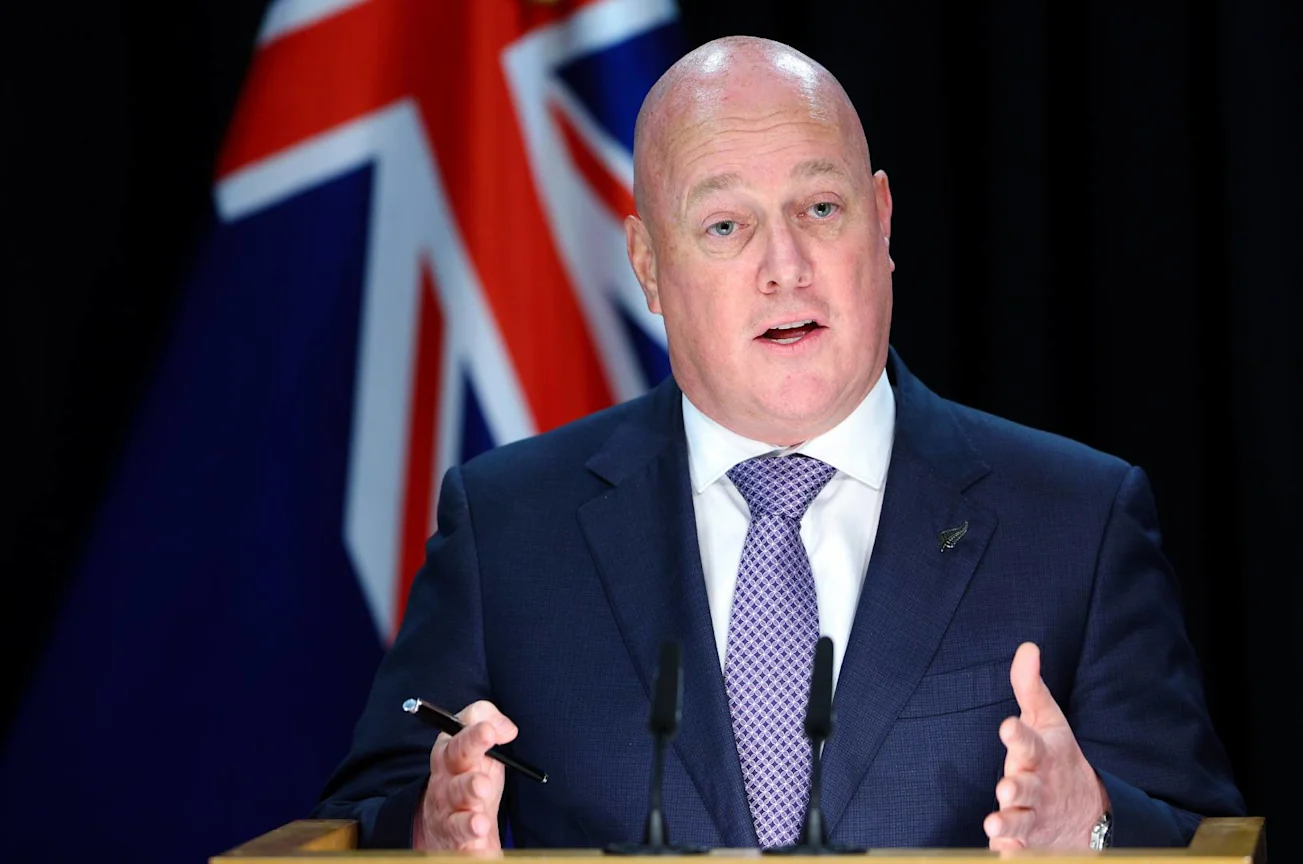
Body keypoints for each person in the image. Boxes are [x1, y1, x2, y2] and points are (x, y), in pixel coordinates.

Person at [312, 35, 1244, 852]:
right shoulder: (510, 529)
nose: (785, 267)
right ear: (648, 266)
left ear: (882, 222)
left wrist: (1094, 826)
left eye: (821, 209)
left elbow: (1209, 839)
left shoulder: (1077, 520)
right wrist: (427, 829)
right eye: (727, 226)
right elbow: (355, 823)